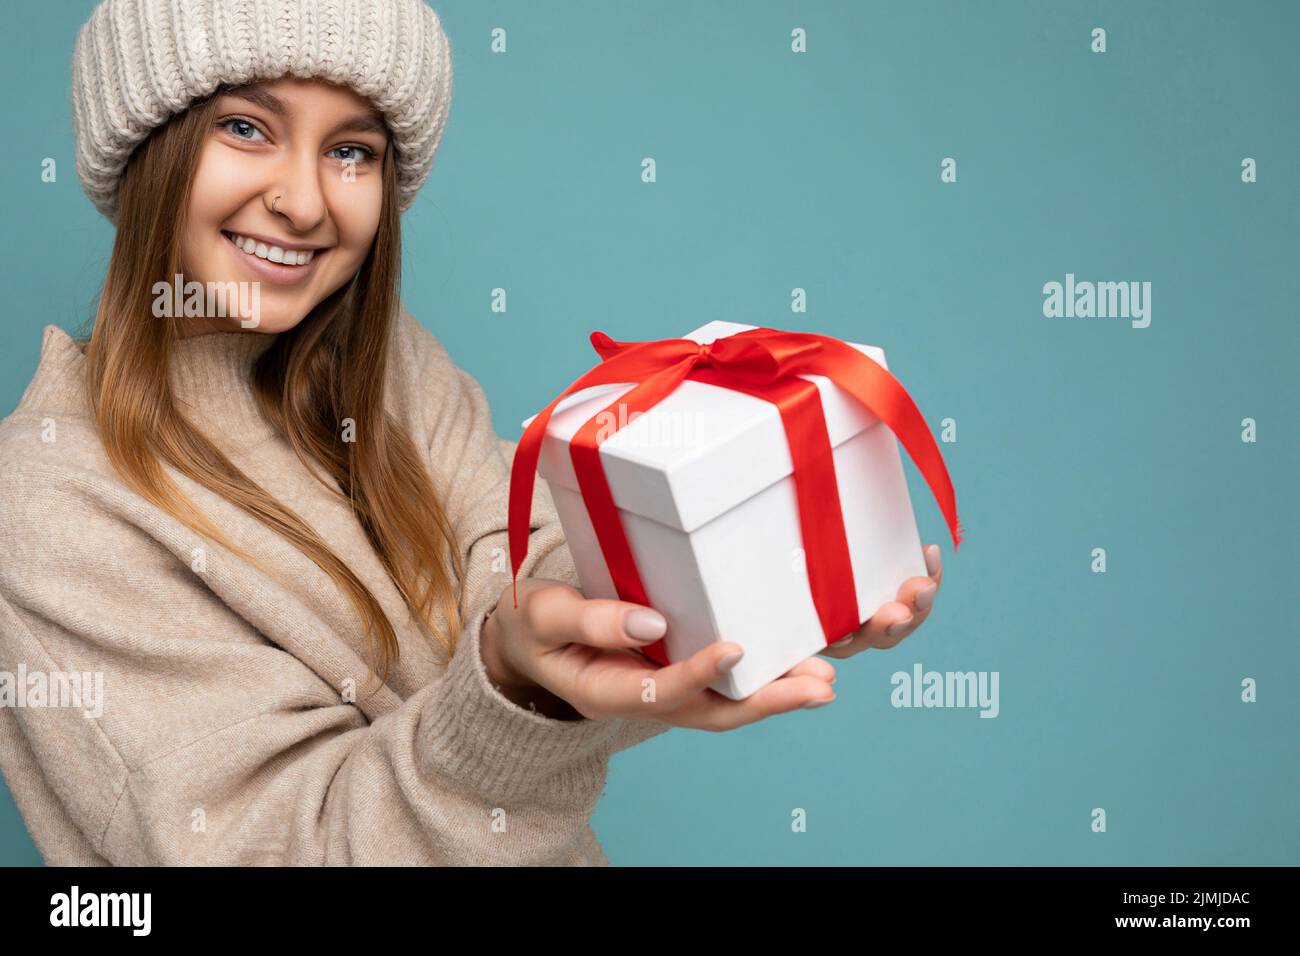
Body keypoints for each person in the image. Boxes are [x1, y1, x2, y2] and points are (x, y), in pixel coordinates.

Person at [0, 0, 942, 866]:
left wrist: (754, 572)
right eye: (245, 128)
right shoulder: (50, 502)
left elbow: (517, 560)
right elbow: (278, 845)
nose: (305, 202)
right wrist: (509, 687)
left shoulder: (386, 369)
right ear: (144, 150)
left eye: (353, 151)